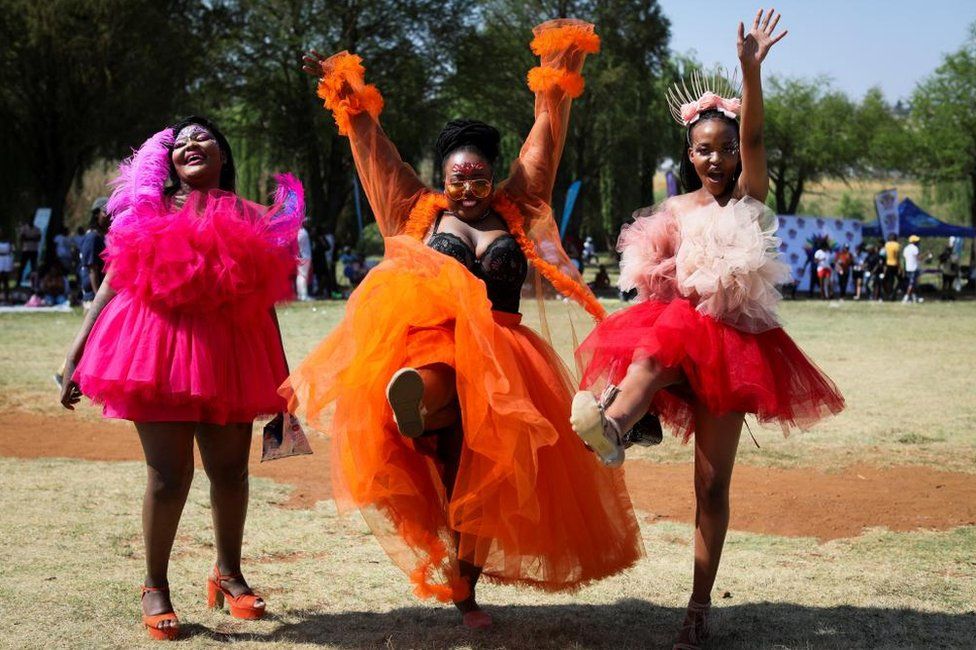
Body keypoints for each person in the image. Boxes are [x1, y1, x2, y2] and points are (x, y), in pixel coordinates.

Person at [286, 20, 641, 629]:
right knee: (437, 384)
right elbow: (376, 150)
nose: (470, 189)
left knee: (474, 481)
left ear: (492, 177)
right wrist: (344, 91)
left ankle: (466, 589)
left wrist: (559, 67)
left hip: (506, 361)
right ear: (442, 179)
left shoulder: (520, 204)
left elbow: (545, 136)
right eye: (458, 179)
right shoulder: (414, 211)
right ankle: (413, 401)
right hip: (439, 346)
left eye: (479, 177)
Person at [569, 11, 844, 649]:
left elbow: (754, 138)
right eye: (703, 149)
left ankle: (698, 607)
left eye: (723, 149)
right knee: (650, 352)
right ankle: (611, 428)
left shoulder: (747, 194)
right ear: (687, 155)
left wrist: (750, 71)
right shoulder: (676, 207)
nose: (716, 159)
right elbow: (654, 276)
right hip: (680, 328)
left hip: (734, 348)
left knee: (712, 484)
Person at [58, 117, 303, 640]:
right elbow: (110, 286)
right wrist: (75, 353)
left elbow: (265, 301)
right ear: (167, 160)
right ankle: (154, 586)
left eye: (203, 136)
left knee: (230, 474)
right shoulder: (144, 211)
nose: (191, 144)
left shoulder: (252, 216)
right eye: (181, 140)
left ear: (223, 154)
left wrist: (280, 374)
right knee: (169, 478)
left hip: (231, 356)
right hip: (155, 353)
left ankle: (228, 574)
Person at [79, 199, 110, 309]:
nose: (110, 216)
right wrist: (98, 297)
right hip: (94, 295)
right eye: (106, 212)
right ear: (96, 214)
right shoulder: (93, 237)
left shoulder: (101, 237)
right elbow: (92, 269)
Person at [902, 234, 928, 304]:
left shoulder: (906, 248)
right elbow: (919, 258)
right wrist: (926, 255)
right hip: (914, 268)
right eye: (917, 241)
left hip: (908, 268)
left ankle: (914, 297)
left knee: (912, 283)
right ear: (913, 242)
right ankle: (906, 297)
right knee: (912, 283)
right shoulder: (915, 248)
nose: (918, 242)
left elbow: (905, 258)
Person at [17, 217, 41, 285]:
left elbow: (38, 238)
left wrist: (28, 238)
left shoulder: (37, 229)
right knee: (22, 267)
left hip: (34, 250)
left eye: (32, 220)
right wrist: (33, 238)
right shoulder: (24, 228)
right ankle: (18, 282)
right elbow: (22, 238)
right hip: (26, 250)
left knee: (34, 268)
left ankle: (34, 283)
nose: (30, 221)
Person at [296, 221, 312, 300]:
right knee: (303, 276)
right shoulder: (301, 232)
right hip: (304, 256)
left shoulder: (299, 231)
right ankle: (303, 295)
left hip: (302, 256)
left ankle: (301, 294)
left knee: (301, 276)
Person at [883, 232, 901, 301]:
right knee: (901, 280)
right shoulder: (897, 245)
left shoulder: (886, 244)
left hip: (888, 264)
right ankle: (894, 293)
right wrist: (899, 267)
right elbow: (897, 256)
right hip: (895, 264)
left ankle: (890, 294)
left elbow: (885, 255)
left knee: (890, 281)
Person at [0, 226, 12, 304]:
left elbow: (11, 250)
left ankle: (6, 298)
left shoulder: (8, 240)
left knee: (6, 280)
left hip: (6, 260)